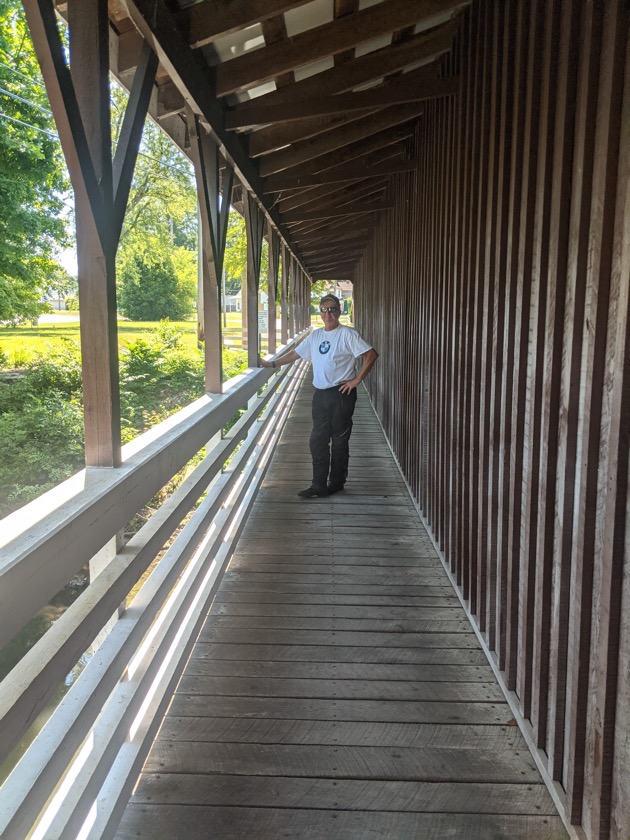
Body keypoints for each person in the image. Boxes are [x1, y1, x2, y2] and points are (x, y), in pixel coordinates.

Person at [259, 293, 378, 498]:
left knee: (339, 440)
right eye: (324, 309)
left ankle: (337, 482)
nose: (328, 314)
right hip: (320, 395)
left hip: (341, 393)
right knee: (317, 440)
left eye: (332, 309)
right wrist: (271, 364)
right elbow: (295, 354)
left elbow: (371, 354)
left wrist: (357, 380)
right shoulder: (315, 336)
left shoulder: (347, 334)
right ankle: (318, 484)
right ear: (320, 313)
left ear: (339, 311)